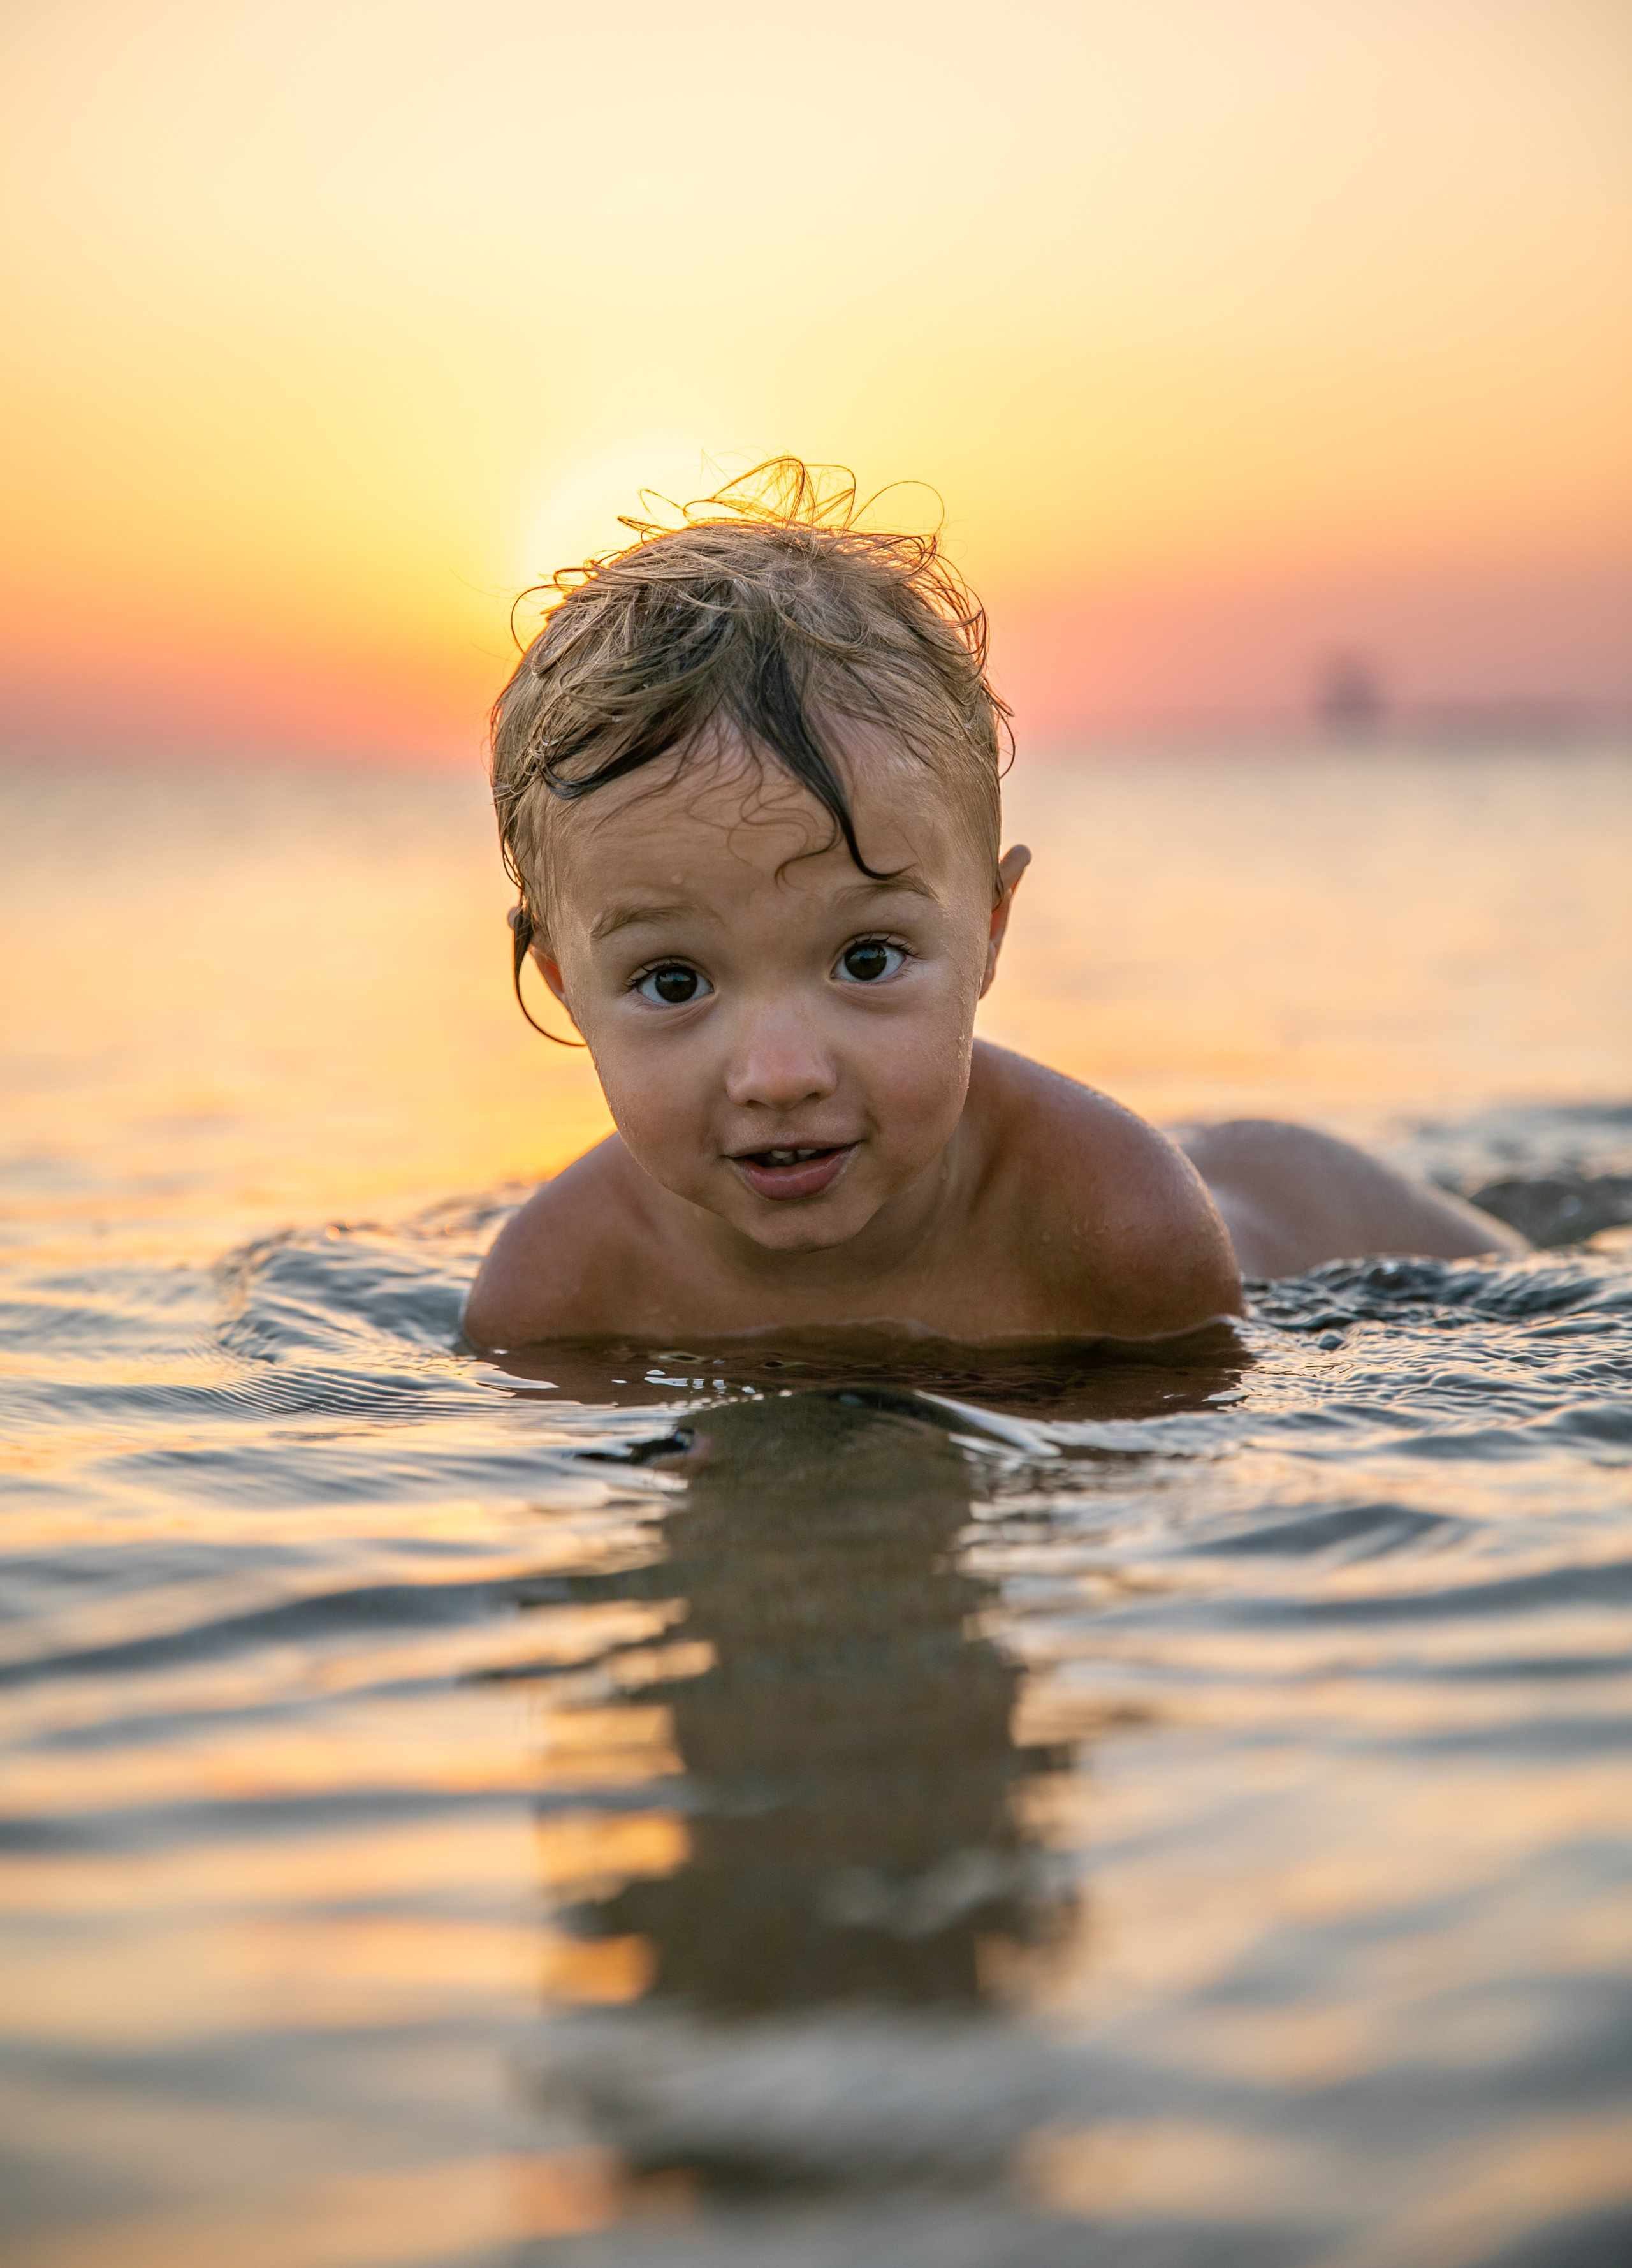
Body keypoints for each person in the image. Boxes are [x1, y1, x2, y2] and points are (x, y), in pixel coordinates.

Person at [463, 462, 1518, 1354]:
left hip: (1320, 1232)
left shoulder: (1120, 1232)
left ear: (991, 933)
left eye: (867, 959)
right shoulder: (555, 1298)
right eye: (675, 982)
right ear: (566, 985)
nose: (781, 1075)